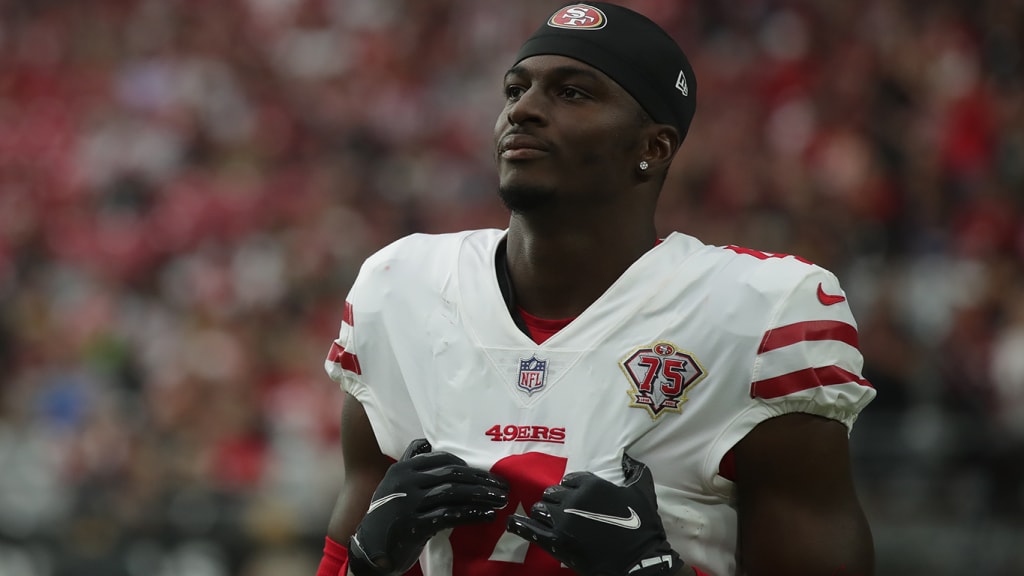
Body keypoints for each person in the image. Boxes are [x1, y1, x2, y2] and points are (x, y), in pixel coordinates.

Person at [315, 3, 877, 575]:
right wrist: (364, 562)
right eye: (515, 89)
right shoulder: (400, 288)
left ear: (654, 148)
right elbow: (346, 559)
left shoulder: (761, 314)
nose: (524, 110)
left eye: (572, 93)